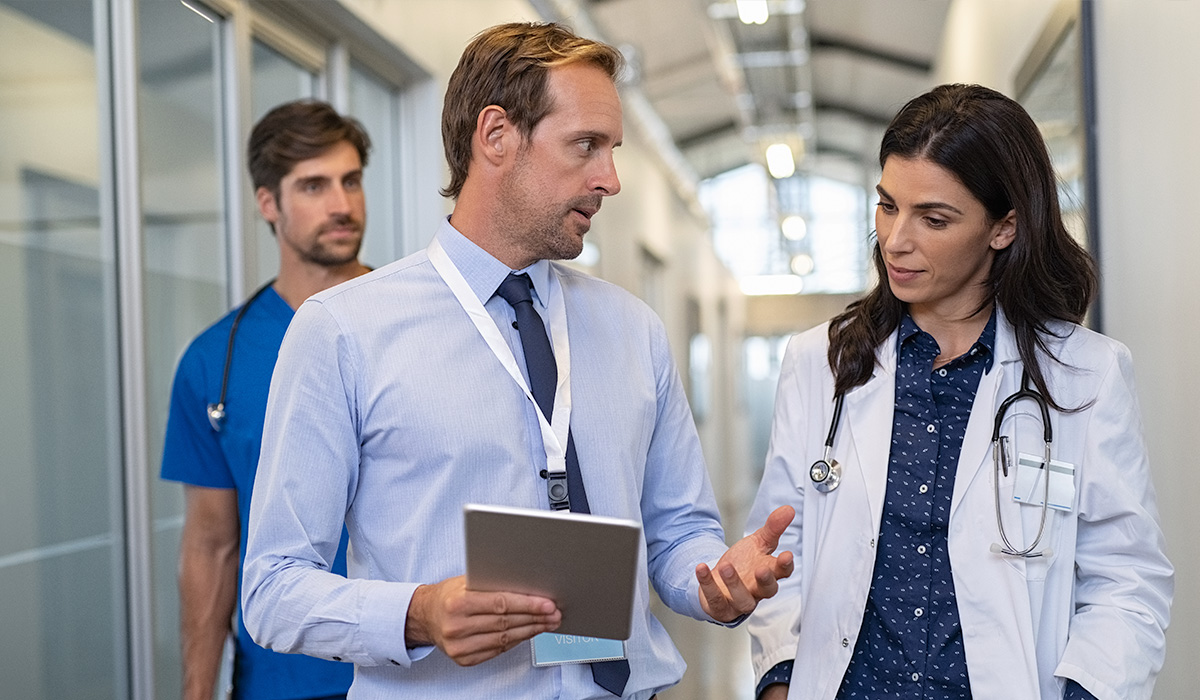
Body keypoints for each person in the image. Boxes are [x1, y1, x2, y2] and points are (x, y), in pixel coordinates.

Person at [241, 22, 794, 700]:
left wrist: (718, 581)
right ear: (496, 135)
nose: (610, 179)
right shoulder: (343, 332)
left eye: (612, 149)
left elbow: (680, 531)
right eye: (587, 146)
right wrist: (420, 613)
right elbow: (272, 589)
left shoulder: (633, 331)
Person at [745, 83, 1173, 700]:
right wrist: (781, 681)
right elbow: (781, 546)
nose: (895, 240)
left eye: (933, 218)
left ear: (1004, 227)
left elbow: (1127, 578)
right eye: (887, 205)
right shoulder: (822, 362)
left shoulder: (1086, 375)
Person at [161, 99, 372, 700]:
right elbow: (211, 544)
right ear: (268, 204)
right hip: (282, 681)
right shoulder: (214, 362)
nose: (341, 204)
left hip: (422, 675)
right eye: (313, 185)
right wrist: (198, 690)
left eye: (350, 181)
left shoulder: (423, 325)